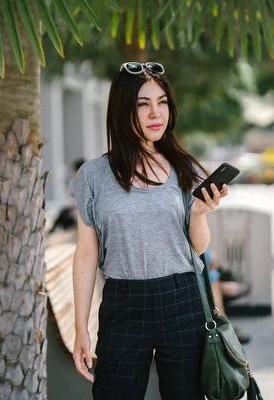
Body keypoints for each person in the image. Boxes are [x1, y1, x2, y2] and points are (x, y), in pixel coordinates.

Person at [70, 62, 229, 399]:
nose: (156, 113)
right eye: (143, 104)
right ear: (122, 109)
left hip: (182, 299)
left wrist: (198, 214)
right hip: (124, 303)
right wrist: (80, 327)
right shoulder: (94, 175)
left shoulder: (184, 168)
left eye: (162, 102)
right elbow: (86, 253)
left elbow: (198, 249)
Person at [49, 158, 86, 233]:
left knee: (63, 214)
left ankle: (52, 233)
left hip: (77, 216)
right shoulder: (88, 182)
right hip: (81, 215)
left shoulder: (75, 183)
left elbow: (74, 205)